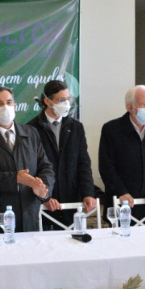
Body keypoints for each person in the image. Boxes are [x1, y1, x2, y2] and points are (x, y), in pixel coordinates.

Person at [0, 86, 54, 234]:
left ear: (15, 105)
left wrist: (43, 188)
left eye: (9, 102)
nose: (6, 107)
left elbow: (45, 166)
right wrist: (15, 179)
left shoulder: (31, 133)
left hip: (29, 211)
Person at [26, 80, 96, 229]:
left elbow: (83, 163)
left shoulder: (76, 127)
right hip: (43, 202)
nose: (66, 104)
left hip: (71, 199)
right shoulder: (31, 129)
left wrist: (88, 193)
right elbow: (30, 168)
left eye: (68, 99)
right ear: (47, 101)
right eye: (61, 100)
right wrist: (44, 196)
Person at [98, 85, 145, 225]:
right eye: (143, 104)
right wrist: (121, 192)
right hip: (120, 202)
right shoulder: (111, 130)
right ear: (129, 107)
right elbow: (107, 167)